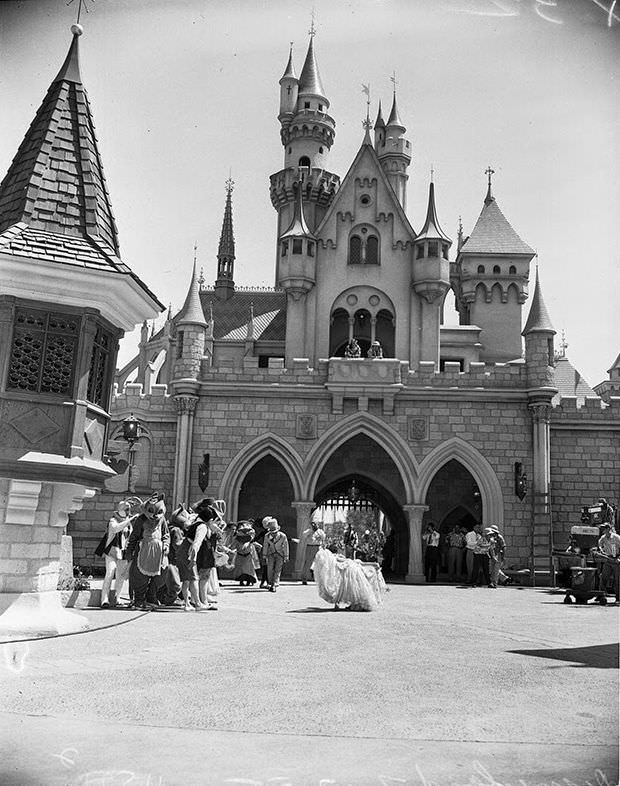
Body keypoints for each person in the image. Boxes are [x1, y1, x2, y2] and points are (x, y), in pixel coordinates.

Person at [126, 494, 170, 611]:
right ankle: (139, 600)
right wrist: (129, 551)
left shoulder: (162, 520)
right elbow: (134, 536)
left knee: (162, 573)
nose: (155, 515)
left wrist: (166, 545)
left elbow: (166, 534)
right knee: (140, 576)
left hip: (159, 552)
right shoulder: (141, 519)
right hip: (143, 550)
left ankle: (151, 597)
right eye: (151, 511)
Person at [311, 546, 387, 611]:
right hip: (352, 567)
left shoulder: (333, 559)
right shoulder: (336, 557)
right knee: (356, 587)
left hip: (351, 569)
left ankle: (356, 604)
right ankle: (356, 604)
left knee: (351, 588)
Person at [195, 498, 234, 610]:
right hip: (203, 553)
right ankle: (200, 600)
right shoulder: (202, 527)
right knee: (202, 577)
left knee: (205, 577)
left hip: (207, 553)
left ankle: (203, 599)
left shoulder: (207, 527)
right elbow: (198, 542)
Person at [99, 500, 140, 608]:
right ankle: (104, 599)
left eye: (129, 509)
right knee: (110, 573)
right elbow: (116, 528)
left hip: (123, 552)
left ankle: (118, 598)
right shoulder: (113, 520)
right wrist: (131, 519)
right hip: (112, 551)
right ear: (120, 510)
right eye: (126, 509)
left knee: (121, 576)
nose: (128, 511)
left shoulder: (129, 523)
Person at [176, 505, 210, 611]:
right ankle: (197, 603)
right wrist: (193, 559)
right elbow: (197, 543)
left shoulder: (195, 523)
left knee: (186, 580)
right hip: (188, 552)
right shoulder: (202, 527)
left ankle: (187, 603)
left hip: (183, 550)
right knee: (193, 578)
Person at [262, 516, 289, 592]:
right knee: (270, 569)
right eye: (272, 532)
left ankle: (275, 584)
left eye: (275, 531)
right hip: (270, 553)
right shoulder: (267, 536)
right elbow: (265, 545)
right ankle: (270, 582)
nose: (273, 533)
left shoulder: (283, 536)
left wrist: (286, 556)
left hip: (280, 554)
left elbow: (286, 546)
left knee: (278, 569)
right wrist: (264, 555)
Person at [596, 522, 620, 604]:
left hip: (616, 560)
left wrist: (619, 558)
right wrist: (600, 550)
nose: (603, 530)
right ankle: (601, 595)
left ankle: (618, 598)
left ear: (608, 529)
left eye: (604, 528)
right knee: (603, 578)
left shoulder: (617, 538)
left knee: (618, 580)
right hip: (608, 559)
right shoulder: (603, 538)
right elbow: (599, 544)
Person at [232, 521, 262, 586]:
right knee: (241, 570)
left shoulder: (250, 540)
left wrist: (259, 546)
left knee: (249, 570)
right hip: (240, 556)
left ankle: (249, 581)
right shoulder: (237, 539)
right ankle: (241, 581)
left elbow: (255, 544)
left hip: (248, 556)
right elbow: (233, 546)